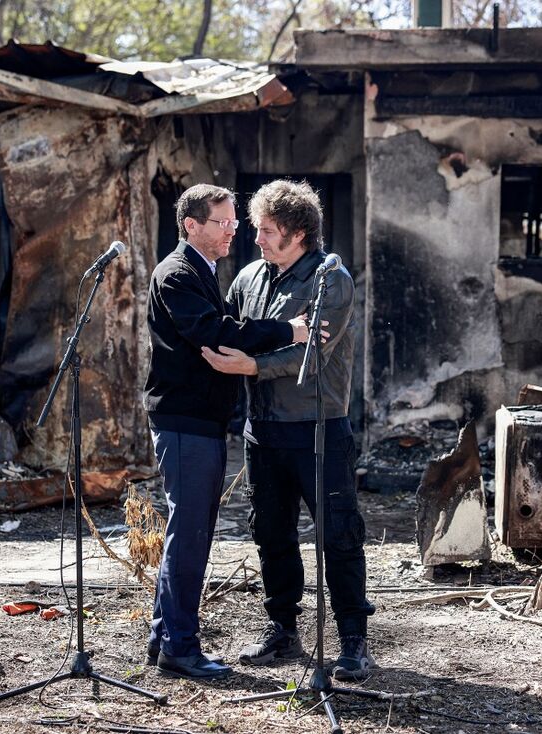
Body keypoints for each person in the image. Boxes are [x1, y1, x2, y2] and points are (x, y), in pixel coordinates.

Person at [201, 179, 376, 681]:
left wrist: (251, 366)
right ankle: (282, 629)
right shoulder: (249, 278)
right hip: (264, 431)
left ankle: (352, 641)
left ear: (299, 233)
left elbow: (312, 352)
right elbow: (230, 333)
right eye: (256, 229)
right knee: (270, 532)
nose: (255, 239)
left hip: (319, 429)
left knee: (339, 535)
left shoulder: (330, 278)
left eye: (267, 231)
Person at [143, 183, 310, 680]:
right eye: (224, 221)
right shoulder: (177, 273)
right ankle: (180, 646)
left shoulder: (201, 269)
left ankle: (164, 638)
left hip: (198, 422)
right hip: (184, 422)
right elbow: (217, 332)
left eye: (236, 221)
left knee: (188, 532)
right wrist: (290, 331)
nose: (234, 229)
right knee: (190, 535)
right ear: (192, 225)